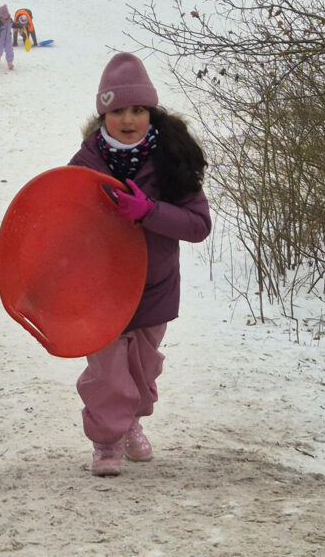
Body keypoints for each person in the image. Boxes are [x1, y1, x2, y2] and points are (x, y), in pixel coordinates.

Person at [68, 52, 211, 476]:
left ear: (151, 112)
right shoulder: (85, 165)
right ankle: (106, 441)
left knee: (142, 369)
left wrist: (150, 211)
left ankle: (129, 420)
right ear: (103, 115)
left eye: (137, 109)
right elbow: (64, 226)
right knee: (108, 373)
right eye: (117, 111)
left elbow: (198, 225)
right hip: (101, 290)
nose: (128, 119)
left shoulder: (172, 162)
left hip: (154, 287)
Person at [0, 5, 15, 70]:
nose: (6, 16)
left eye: (6, 14)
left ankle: (9, 62)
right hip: (1, 38)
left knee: (9, 50)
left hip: (8, 38)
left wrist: (20, 25)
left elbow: (13, 24)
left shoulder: (10, 19)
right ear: (1, 16)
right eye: (4, 15)